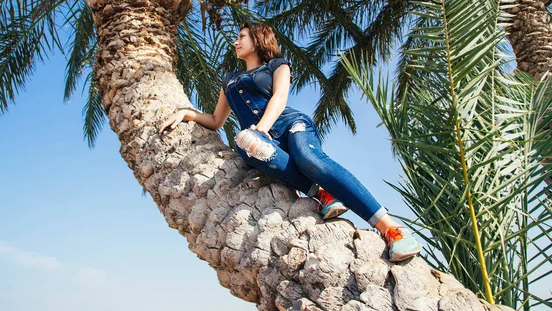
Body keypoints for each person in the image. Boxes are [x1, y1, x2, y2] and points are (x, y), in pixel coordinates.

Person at [159, 22, 422, 262]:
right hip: (256, 140)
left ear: (258, 39)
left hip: (289, 124)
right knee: (246, 146)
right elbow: (216, 119)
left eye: (241, 37)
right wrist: (186, 112)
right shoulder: (229, 80)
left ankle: (392, 229)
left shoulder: (277, 65)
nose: (235, 42)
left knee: (309, 160)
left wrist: (262, 129)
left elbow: (279, 97)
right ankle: (323, 193)